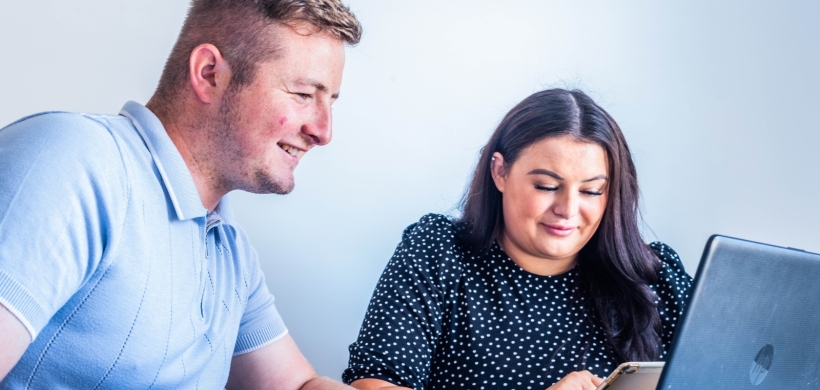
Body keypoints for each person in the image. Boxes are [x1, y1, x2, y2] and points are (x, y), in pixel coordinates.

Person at [0, 0, 361, 388]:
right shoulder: (74, 163)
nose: (324, 132)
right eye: (304, 94)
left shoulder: (227, 245)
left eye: (331, 101)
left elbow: (297, 386)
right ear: (209, 74)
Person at [343, 89, 693, 390]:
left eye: (591, 191)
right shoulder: (439, 252)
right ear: (500, 172)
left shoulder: (655, 276)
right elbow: (374, 382)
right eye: (546, 186)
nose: (568, 209)